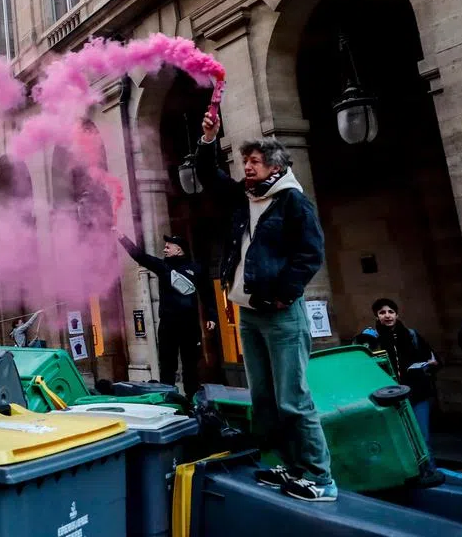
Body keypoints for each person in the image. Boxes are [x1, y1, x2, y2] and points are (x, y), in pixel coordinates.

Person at [195, 111, 336, 502]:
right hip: (250, 314)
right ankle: (290, 467)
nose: (247, 168)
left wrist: (285, 293)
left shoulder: (292, 202)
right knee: (264, 399)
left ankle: (320, 478)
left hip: (280, 314)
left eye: (254, 162)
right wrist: (208, 137)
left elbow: (311, 253)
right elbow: (210, 177)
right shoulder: (247, 198)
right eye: (245, 162)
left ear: (276, 165)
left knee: (293, 398)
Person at [118, 233, 217, 398]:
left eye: (168, 246)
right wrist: (122, 237)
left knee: (191, 365)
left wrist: (212, 317)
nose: (164, 249)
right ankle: (168, 399)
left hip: (189, 325)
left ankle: (192, 401)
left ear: (178, 250)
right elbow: (139, 256)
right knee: (167, 366)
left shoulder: (196, 269)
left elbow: (207, 294)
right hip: (168, 325)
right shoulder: (163, 267)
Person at [356, 298, 439, 444]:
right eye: (382, 313)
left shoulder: (411, 335)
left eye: (391, 312)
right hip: (389, 397)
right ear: (377, 316)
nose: (387, 315)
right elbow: (363, 365)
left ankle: (428, 467)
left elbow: (433, 358)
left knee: (422, 436)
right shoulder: (373, 339)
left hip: (416, 393)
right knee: (401, 440)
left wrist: (431, 364)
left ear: (397, 315)